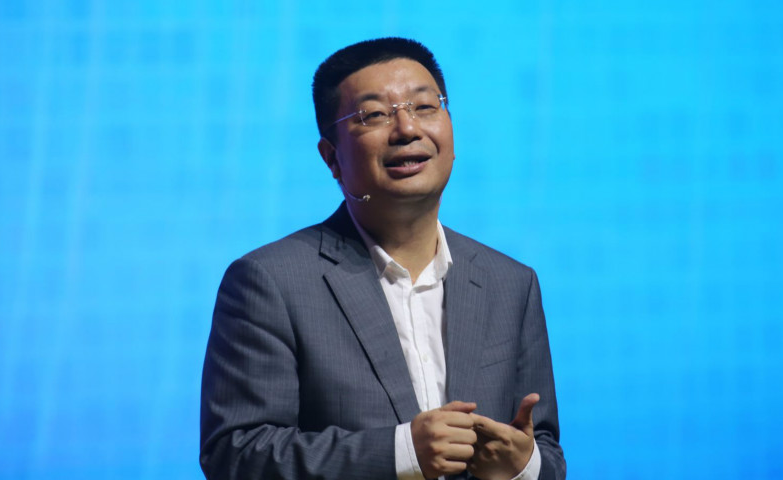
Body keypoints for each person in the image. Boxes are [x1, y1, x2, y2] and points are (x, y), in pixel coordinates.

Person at [200, 37, 565, 480]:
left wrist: (523, 466)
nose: (407, 129)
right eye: (374, 115)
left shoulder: (510, 283)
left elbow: (544, 449)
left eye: (425, 107)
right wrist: (403, 453)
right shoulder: (270, 281)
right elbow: (236, 454)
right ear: (331, 158)